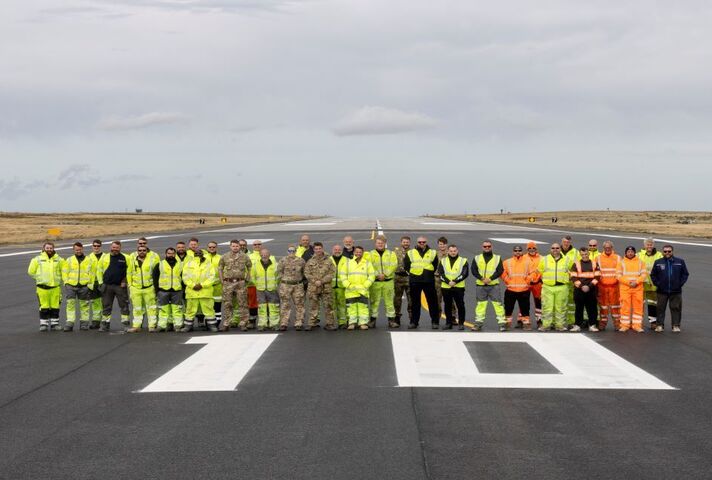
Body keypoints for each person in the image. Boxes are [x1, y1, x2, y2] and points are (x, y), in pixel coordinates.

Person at [650, 245, 689, 333]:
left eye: (669, 251)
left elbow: (685, 274)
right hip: (661, 291)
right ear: (663, 252)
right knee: (660, 308)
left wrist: (680, 284)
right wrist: (658, 284)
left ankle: (676, 325)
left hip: (676, 291)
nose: (667, 253)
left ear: (672, 252)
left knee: (676, 308)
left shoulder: (680, 262)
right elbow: (653, 275)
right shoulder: (658, 262)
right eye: (665, 251)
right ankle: (659, 325)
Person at [404, 236, 440, 329]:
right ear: (417, 242)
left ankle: (435, 322)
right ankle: (414, 322)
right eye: (420, 242)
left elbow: (435, 265)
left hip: (428, 280)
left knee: (432, 302)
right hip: (415, 281)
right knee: (415, 303)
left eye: (423, 242)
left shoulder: (432, 252)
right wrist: (413, 274)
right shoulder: (410, 253)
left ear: (426, 242)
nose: (422, 244)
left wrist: (428, 273)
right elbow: (407, 266)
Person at [28, 242, 63, 332]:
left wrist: (60, 279)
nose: (49, 250)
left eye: (51, 248)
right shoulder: (37, 259)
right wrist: (40, 279)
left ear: (53, 248)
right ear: (43, 248)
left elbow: (64, 270)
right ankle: (43, 324)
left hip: (55, 287)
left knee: (55, 306)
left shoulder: (59, 259)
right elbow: (31, 271)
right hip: (42, 288)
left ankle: (55, 324)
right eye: (47, 248)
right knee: (44, 306)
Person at [217, 240, 251, 332]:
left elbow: (249, 267)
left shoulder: (245, 256)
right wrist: (222, 280)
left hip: (240, 283)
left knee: (242, 303)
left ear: (239, 247)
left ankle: (243, 323)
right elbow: (220, 268)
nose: (235, 247)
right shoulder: (224, 256)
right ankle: (226, 324)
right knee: (227, 304)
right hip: (228, 283)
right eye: (233, 246)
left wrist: (247, 278)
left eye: (237, 246)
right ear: (230, 246)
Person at [96, 241, 130, 332]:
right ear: (111, 247)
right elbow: (99, 270)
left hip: (120, 286)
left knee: (124, 305)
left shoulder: (126, 257)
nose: (115, 249)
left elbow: (130, 271)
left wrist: (125, 281)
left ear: (120, 248)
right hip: (107, 286)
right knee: (106, 306)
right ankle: (105, 325)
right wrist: (101, 283)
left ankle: (126, 324)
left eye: (117, 248)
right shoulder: (104, 257)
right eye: (113, 247)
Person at [61, 242, 95, 331]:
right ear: (73, 250)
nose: (78, 251)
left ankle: (84, 324)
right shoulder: (69, 260)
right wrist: (66, 283)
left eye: (79, 249)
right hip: (71, 286)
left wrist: (89, 286)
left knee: (84, 306)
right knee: (70, 305)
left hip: (84, 287)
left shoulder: (89, 260)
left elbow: (92, 273)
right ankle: (70, 323)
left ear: (82, 249)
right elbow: (64, 272)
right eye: (76, 250)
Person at [471, 241, 505, 331]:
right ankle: (478, 323)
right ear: (482, 247)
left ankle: (502, 323)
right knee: (481, 305)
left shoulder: (497, 258)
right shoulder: (477, 258)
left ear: (491, 247)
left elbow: (500, 270)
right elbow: (473, 270)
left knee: (498, 305)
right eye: (485, 246)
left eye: (488, 246)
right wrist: (482, 278)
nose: (487, 248)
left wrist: (490, 279)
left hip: (494, 285)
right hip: (481, 285)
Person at [126, 244, 160, 333]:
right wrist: (130, 285)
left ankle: (152, 326)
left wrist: (154, 286)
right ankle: (136, 326)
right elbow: (129, 273)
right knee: (137, 309)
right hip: (136, 288)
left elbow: (156, 273)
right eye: (140, 250)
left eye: (144, 250)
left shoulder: (151, 260)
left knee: (152, 308)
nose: (142, 252)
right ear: (137, 252)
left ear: (146, 251)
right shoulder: (133, 261)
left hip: (149, 288)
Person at [181, 249, 218, 332]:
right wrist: (193, 285)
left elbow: (212, 277)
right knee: (190, 310)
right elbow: (185, 277)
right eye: (196, 253)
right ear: (194, 254)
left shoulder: (208, 264)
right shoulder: (188, 264)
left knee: (209, 310)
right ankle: (188, 326)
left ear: (203, 254)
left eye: (200, 253)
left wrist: (202, 285)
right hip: (192, 292)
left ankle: (212, 325)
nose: (198, 254)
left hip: (205, 292)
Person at [340, 246, 375, 330]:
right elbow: (342, 275)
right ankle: (352, 323)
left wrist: (365, 285)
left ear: (363, 253)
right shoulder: (348, 263)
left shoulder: (367, 263)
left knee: (363, 307)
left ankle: (363, 323)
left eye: (360, 252)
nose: (358, 253)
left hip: (363, 290)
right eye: (357, 252)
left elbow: (371, 275)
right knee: (351, 307)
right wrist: (347, 285)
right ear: (354, 253)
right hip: (351, 290)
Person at [538, 243, 571, 332]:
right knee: (547, 307)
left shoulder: (567, 260)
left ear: (560, 249)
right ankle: (546, 325)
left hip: (562, 287)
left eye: (557, 248)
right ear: (550, 249)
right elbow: (539, 272)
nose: (555, 249)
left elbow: (572, 272)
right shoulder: (544, 259)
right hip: (548, 287)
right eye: (553, 248)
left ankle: (559, 325)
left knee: (560, 307)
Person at [501, 245, 536, 330]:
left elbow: (533, 273)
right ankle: (507, 324)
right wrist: (507, 280)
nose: (517, 252)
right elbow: (502, 272)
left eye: (519, 250)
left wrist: (527, 280)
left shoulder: (528, 262)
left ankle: (526, 324)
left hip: (524, 290)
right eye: (516, 251)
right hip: (511, 289)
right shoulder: (507, 262)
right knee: (508, 308)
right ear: (513, 252)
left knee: (525, 308)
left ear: (522, 251)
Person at [304, 242, 337, 330]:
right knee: (313, 306)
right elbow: (307, 273)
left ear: (322, 249)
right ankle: (312, 323)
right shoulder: (310, 261)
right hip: (313, 287)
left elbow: (332, 273)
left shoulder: (329, 260)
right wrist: (315, 281)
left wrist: (322, 281)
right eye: (316, 249)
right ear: (314, 250)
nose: (318, 250)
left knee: (328, 306)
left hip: (326, 287)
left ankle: (330, 324)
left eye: (319, 248)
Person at [367, 235, 398, 328]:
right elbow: (369, 266)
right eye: (378, 243)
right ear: (375, 243)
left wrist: (385, 274)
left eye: (382, 243)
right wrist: (377, 275)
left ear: (385, 243)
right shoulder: (370, 254)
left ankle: (391, 321)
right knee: (374, 302)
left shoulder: (391, 254)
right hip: (375, 282)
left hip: (388, 282)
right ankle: (372, 321)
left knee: (389, 302)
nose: (380, 244)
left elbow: (394, 265)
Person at [436, 244, 469, 330]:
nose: (453, 253)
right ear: (448, 251)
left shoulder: (463, 260)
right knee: (447, 306)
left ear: (457, 251)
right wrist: (448, 281)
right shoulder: (443, 261)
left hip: (458, 287)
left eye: (454, 251)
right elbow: (440, 273)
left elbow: (465, 273)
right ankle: (448, 323)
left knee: (460, 305)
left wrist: (455, 281)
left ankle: (461, 323)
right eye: (451, 251)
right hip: (446, 287)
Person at [153, 247, 184, 332]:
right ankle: (162, 326)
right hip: (163, 291)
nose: (171, 255)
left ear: (175, 254)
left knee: (177, 309)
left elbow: (183, 278)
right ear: (166, 254)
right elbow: (155, 278)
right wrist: (157, 290)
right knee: (163, 309)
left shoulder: (180, 264)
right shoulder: (160, 264)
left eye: (172, 253)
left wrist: (183, 290)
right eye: (169, 253)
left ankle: (177, 325)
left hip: (177, 290)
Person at [569, 247, 601, 332]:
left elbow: (597, 276)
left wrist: (589, 286)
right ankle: (577, 325)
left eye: (586, 254)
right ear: (580, 255)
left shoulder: (594, 263)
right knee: (579, 308)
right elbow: (573, 277)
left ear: (589, 254)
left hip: (591, 289)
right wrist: (581, 286)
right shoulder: (576, 264)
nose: (584, 256)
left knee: (592, 308)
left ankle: (592, 325)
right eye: (582, 254)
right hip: (579, 290)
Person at [616, 246, 647, 333]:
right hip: (625, 289)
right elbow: (618, 275)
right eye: (628, 252)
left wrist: (636, 282)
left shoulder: (641, 263)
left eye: (632, 251)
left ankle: (637, 326)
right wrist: (629, 283)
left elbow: (644, 275)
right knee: (625, 308)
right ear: (625, 253)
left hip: (638, 288)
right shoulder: (621, 263)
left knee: (638, 307)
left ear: (634, 253)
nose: (630, 253)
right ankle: (624, 326)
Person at [277, 244, 306, 330]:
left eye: (293, 251)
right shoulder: (283, 260)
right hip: (286, 285)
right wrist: (284, 280)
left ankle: (299, 323)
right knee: (285, 304)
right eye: (290, 251)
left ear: (296, 252)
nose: (291, 252)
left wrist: (301, 281)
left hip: (297, 285)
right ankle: (284, 323)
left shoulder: (301, 261)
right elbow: (279, 271)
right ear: (287, 252)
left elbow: (304, 272)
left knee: (299, 304)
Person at [252, 248, 280, 331]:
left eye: (266, 254)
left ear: (269, 255)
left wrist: (275, 284)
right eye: (262, 254)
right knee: (262, 308)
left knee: (274, 307)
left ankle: (274, 324)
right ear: (260, 254)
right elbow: (252, 276)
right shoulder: (255, 265)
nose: (264, 255)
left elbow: (278, 276)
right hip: (260, 289)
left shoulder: (275, 265)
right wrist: (257, 285)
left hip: (272, 289)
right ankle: (262, 324)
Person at [638, 238, 663, 329]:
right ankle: (638, 322)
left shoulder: (659, 255)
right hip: (642, 284)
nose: (649, 246)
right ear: (644, 245)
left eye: (651, 244)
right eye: (647, 244)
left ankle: (653, 322)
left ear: (653, 245)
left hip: (654, 284)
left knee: (653, 304)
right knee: (640, 303)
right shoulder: (639, 255)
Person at [597, 241, 622, 331]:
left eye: (609, 247)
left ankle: (617, 324)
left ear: (612, 248)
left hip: (614, 286)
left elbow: (621, 271)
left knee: (616, 306)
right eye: (606, 247)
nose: (607, 249)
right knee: (603, 307)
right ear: (603, 248)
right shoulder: (598, 258)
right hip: (602, 287)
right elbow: (595, 272)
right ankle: (602, 324)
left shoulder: (618, 258)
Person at [560, 235, 581, 327]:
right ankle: (559, 322)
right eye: (564, 242)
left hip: (572, 281)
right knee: (560, 302)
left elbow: (580, 266)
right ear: (562, 242)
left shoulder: (576, 252)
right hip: (560, 281)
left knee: (572, 303)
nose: (566, 244)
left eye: (568, 242)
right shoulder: (557, 251)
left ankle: (571, 322)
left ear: (570, 242)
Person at [393, 236, 412, 328]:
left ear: (410, 243)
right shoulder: (395, 252)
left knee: (411, 299)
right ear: (401, 242)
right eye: (404, 242)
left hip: (409, 278)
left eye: (407, 242)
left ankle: (412, 318)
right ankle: (397, 317)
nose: (406, 244)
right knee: (397, 299)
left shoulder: (413, 252)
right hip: (398, 278)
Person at [205, 241, 223, 326]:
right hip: (206, 287)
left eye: (214, 247)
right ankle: (208, 323)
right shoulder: (204, 258)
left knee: (217, 306)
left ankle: (217, 323)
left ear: (216, 248)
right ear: (207, 248)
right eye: (210, 247)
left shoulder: (221, 258)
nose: (212, 248)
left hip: (217, 286)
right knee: (207, 306)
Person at [87, 240, 105, 329]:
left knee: (105, 304)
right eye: (95, 246)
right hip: (93, 284)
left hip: (103, 283)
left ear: (101, 246)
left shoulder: (106, 257)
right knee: (95, 304)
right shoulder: (89, 257)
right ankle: (96, 322)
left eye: (98, 246)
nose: (96, 247)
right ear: (92, 246)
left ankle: (105, 322)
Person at [246, 239, 263, 328]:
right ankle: (252, 321)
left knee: (265, 303)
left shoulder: (267, 255)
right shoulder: (249, 257)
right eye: (255, 244)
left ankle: (264, 321)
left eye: (259, 244)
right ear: (253, 246)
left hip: (264, 284)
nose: (257, 246)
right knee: (252, 303)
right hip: (252, 284)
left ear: (261, 245)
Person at [434, 236, 452, 321]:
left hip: (449, 280)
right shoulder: (435, 254)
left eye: (444, 244)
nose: (442, 246)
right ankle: (437, 316)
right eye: (440, 244)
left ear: (446, 245)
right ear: (438, 245)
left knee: (450, 299)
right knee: (437, 299)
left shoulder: (451, 253)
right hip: (437, 279)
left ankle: (452, 317)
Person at [331, 245, 348, 328]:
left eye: (339, 249)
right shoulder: (328, 260)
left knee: (342, 305)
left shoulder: (346, 260)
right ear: (332, 250)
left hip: (342, 287)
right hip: (331, 287)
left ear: (341, 250)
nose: (337, 251)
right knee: (331, 306)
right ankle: (332, 322)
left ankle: (342, 322)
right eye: (335, 249)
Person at [526, 242, 543, 326]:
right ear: (527, 249)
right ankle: (522, 320)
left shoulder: (542, 258)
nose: (532, 250)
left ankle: (539, 320)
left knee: (538, 302)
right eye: (530, 248)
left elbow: (543, 270)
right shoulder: (523, 258)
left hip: (537, 283)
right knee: (524, 302)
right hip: (526, 283)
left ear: (536, 249)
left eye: (533, 248)